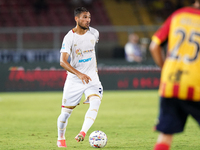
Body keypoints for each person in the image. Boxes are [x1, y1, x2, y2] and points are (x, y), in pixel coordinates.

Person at [149, 0, 200, 150]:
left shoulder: (178, 15)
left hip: (171, 82)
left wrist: (165, 68)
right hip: (195, 83)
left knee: (165, 134)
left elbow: (154, 45)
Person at [57, 7, 103, 147]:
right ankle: (61, 138)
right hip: (75, 79)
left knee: (95, 101)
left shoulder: (94, 33)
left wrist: (88, 71)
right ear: (76, 19)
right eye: (84, 17)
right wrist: (79, 73)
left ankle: (82, 133)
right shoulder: (69, 37)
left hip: (91, 77)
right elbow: (62, 61)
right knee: (65, 114)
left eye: (89, 17)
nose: (88, 20)